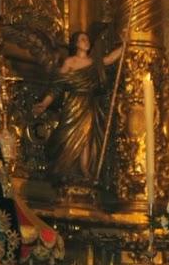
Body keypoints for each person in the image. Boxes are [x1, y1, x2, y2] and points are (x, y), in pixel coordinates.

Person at [33, 29, 125, 186]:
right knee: (66, 134)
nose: (86, 42)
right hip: (73, 103)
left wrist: (125, 44)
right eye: (83, 39)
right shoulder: (70, 62)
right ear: (76, 43)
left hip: (88, 103)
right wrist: (45, 103)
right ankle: (64, 168)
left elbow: (109, 59)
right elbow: (57, 86)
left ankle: (85, 170)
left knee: (86, 136)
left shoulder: (94, 62)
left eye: (88, 40)